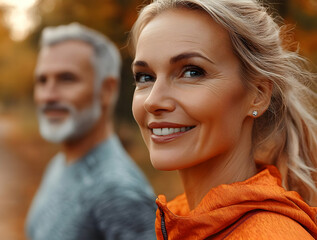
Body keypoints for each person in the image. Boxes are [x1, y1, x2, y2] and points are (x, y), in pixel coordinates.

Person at [129, 0, 317, 239]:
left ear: (258, 95)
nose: (152, 101)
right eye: (145, 76)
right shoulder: (187, 220)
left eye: (192, 72)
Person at [25, 23, 156, 240]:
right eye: (42, 80)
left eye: (66, 79)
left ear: (107, 90)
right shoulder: (60, 162)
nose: (48, 96)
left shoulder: (119, 192)